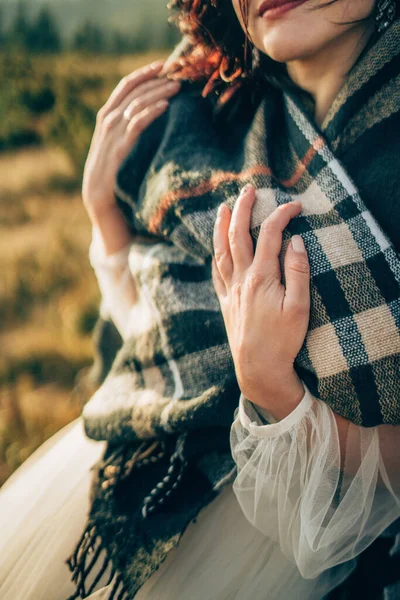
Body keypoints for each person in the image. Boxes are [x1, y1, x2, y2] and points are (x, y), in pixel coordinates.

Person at [0, 1, 399, 599]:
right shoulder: (204, 123)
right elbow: (160, 345)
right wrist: (106, 220)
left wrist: (273, 390)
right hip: (155, 506)